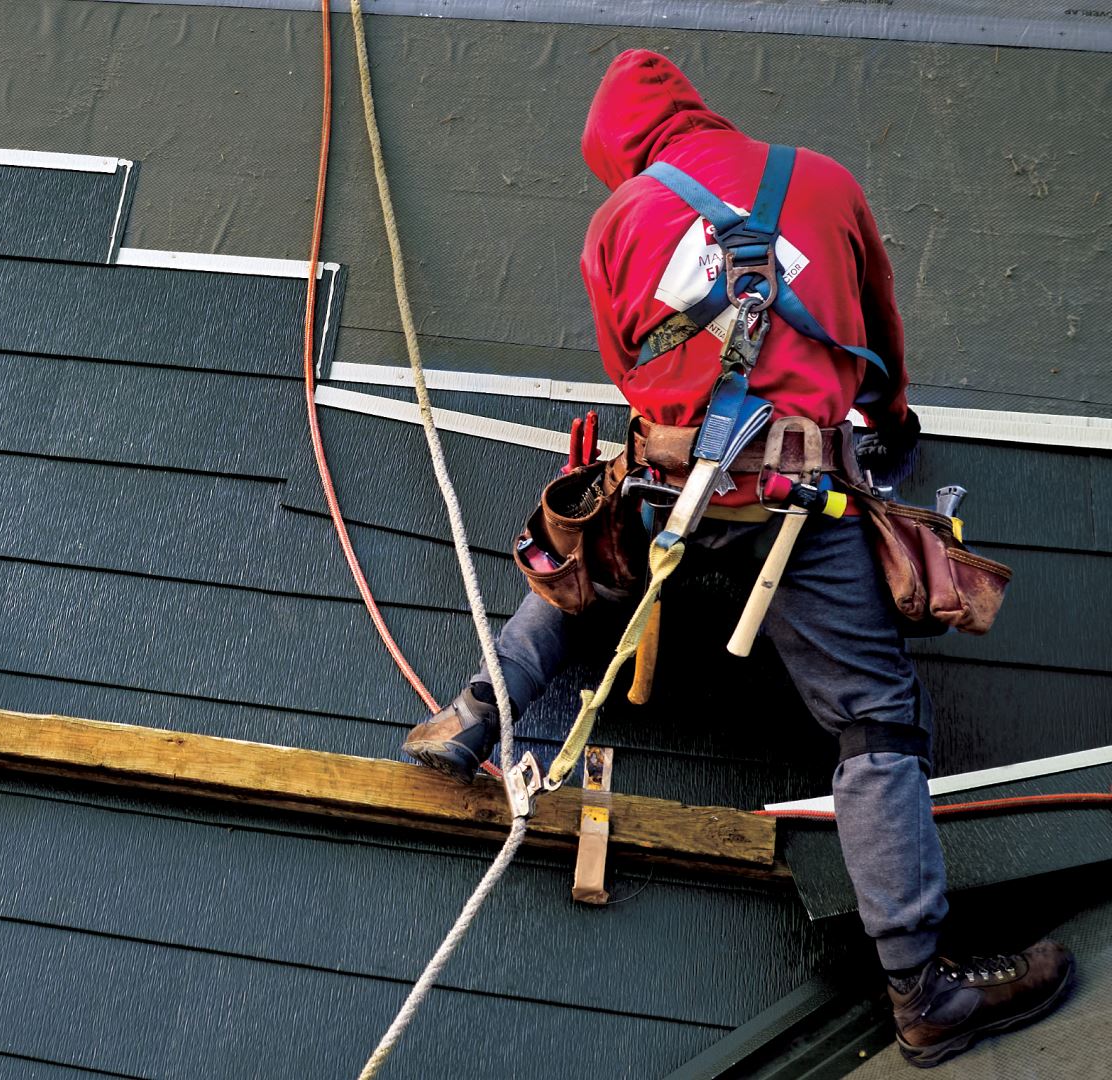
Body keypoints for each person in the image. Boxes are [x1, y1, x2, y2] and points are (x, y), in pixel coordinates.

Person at [401, 49, 1073, 1069]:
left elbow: (629, 364)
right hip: (793, 502)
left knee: (587, 567)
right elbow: (876, 337)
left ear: (624, 149)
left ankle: (475, 713)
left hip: (672, 485)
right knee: (876, 723)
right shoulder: (826, 181)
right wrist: (888, 424)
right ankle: (922, 993)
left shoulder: (618, 219)